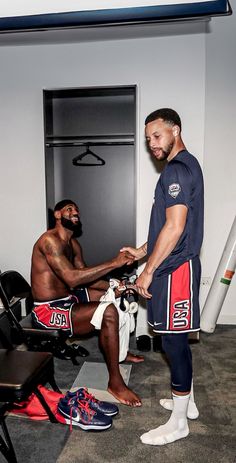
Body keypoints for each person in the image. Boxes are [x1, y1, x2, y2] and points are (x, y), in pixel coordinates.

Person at [121, 108, 204, 443]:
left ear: (175, 130)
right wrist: (142, 251)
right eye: (148, 139)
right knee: (175, 342)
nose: (152, 144)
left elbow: (175, 227)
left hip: (175, 270)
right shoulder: (188, 164)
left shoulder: (176, 171)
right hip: (174, 264)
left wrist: (148, 271)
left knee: (173, 342)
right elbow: (167, 226)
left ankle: (179, 423)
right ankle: (190, 404)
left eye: (157, 136)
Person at [31, 199, 142, 407]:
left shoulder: (72, 243)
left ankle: (120, 351)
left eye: (77, 210)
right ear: (57, 215)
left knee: (112, 295)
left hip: (68, 300)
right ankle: (115, 383)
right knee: (108, 312)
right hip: (48, 311)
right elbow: (72, 278)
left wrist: (116, 284)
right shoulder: (49, 241)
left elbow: (86, 277)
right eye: (69, 209)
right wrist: (114, 262)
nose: (75, 213)